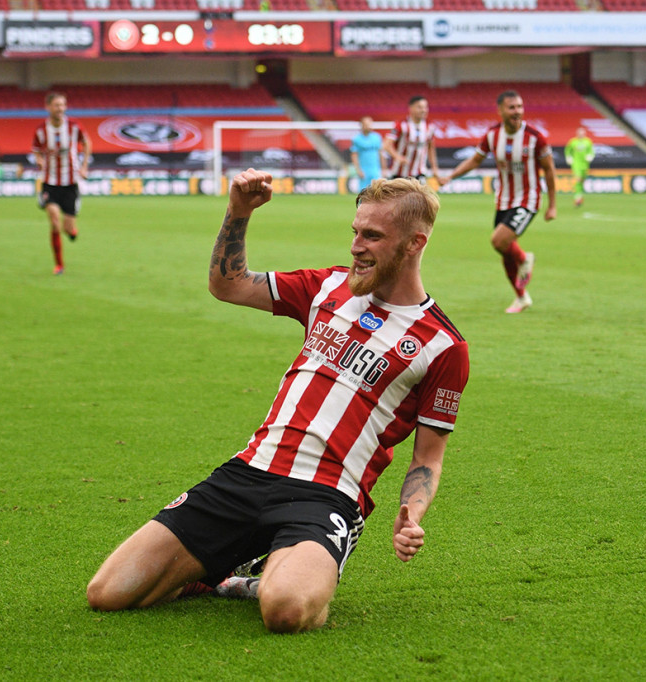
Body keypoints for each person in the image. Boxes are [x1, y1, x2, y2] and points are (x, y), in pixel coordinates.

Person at [86, 169, 470, 634]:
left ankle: (272, 575)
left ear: (414, 243)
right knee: (108, 594)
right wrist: (239, 212)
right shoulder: (326, 287)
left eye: (372, 236)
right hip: (249, 472)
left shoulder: (444, 346)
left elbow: (429, 457)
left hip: (327, 494)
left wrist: (413, 513)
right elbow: (229, 284)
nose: (355, 246)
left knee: (285, 611)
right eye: (354, 232)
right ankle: (221, 572)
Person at [439, 90, 556, 314]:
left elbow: (549, 170)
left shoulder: (535, 137)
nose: (517, 111)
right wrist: (451, 176)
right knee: (503, 249)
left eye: (520, 107)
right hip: (503, 200)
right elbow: (475, 160)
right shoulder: (492, 135)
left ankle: (524, 258)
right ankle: (521, 297)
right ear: (500, 110)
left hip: (528, 199)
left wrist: (552, 205)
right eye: (512, 107)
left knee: (498, 240)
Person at [32, 91, 91, 275]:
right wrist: (39, 160)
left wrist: (84, 166)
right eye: (57, 105)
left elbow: (87, 142)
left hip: (70, 183)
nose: (60, 109)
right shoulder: (41, 131)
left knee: (67, 227)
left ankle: (72, 231)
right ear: (48, 107)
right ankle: (59, 264)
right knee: (54, 221)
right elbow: (35, 150)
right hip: (50, 182)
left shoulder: (74, 127)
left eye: (63, 105)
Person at [383, 95, 440, 182]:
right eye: (420, 107)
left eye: (425, 107)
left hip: (419, 173)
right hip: (399, 173)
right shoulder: (401, 125)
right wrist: (398, 157)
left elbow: (431, 148)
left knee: (420, 195)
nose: (424, 110)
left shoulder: (430, 127)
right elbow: (386, 145)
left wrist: (434, 168)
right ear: (411, 108)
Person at [350, 116, 384, 190]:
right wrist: (358, 170)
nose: (369, 126)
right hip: (364, 170)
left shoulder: (377, 137)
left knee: (377, 191)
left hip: (375, 169)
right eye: (366, 124)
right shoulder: (357, 139)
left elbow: (381, 153)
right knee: (364, 192)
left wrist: (384, 169)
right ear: (362, 125)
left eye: (370, 124)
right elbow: (354, 155)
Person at [564, 126, 595, 208]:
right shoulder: (573, 142)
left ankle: (580, 196)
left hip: (585, 165)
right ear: (577, 134)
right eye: (580, 133)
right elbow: (567, 150)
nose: (581, 134)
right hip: (576, 164)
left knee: (581, 181)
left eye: (582, 133)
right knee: (578, 180)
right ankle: (577, 198)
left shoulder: (588, 142)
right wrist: (568, 157)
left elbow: (591, 151)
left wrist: (590, 156)